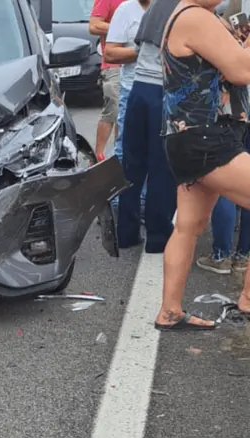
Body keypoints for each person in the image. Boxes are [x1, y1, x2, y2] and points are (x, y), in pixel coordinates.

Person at [155, 0, 250, 331]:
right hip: (206, 140)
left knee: (189, 225)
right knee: (188, 226)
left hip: (194, 139)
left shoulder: (198, 15)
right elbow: (241, 71)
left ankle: (169, 312)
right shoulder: (195, 17)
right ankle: (249, 300)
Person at [117, 0, 179, 253]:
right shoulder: (183, 9)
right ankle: (158, 236)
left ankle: (126, 232)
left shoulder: (153, 9)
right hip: (162, 91)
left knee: (133, 164)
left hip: (138, 89)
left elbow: (139, 46)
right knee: (161, 168)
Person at [104, 0, 151, 207]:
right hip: (132, 90)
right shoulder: (126, 10)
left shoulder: (171, 7)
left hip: (164, 91)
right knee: (127, 147)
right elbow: (110, 53)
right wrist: (144, 51)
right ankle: (119, 202)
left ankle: (143, 201)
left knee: (157, 149)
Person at [89, 0, 126, 160]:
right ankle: (98, 157)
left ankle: (120, 153)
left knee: (126, 112)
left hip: (138, 64)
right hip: (113, 64)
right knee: (114, 109)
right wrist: (123, 28)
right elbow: (94, 26)